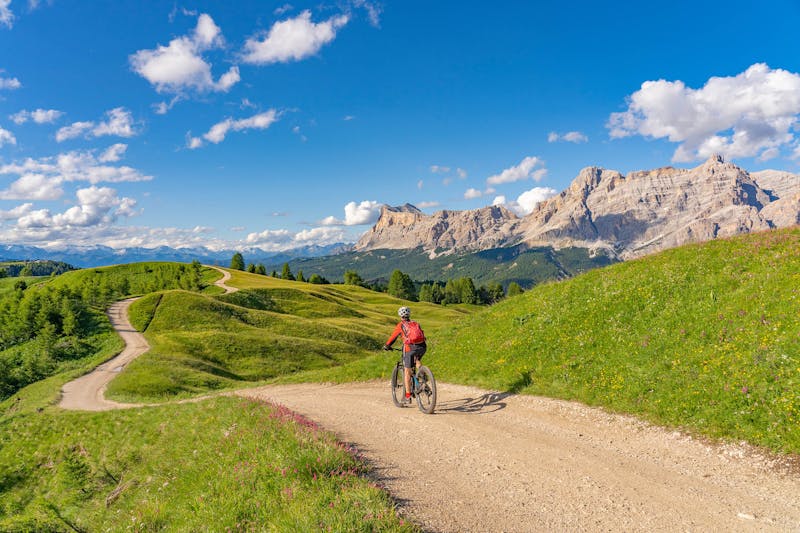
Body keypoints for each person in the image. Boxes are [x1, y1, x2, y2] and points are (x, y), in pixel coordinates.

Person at [383, 306, 427, 404]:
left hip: (410, 348)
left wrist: (387, 345)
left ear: (400, 315)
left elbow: (393, 337)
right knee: (417, 360)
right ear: (409, 314)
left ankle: (407, 396)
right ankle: (423, 376)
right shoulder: (415, 323)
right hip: (422, 346)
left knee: (407, 371)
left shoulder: (400, 325)